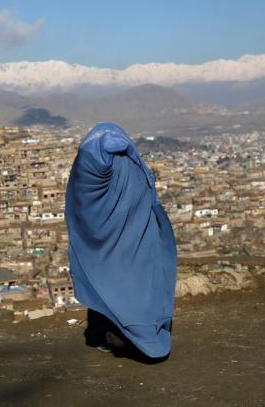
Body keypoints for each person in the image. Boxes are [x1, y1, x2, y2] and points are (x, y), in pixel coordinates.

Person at [65, 123, 177, 361]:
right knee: (139, 286)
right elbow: (146, 197)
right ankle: (147, 335)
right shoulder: (131, 166)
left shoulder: (88, 168)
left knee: (112, 290)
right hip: (136, 237)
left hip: (104, 248)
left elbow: (81, 204)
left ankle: (123, 337)